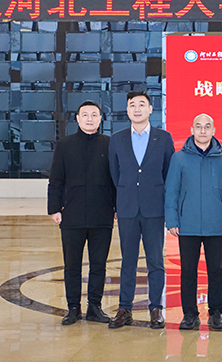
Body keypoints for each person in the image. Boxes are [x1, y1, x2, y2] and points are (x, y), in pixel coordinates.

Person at [108, 90, 174, 330]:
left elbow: (169, 173)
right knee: (128, 260)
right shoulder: (117, 139)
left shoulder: (163, 138)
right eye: (132, 105)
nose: (137, 109)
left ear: (150, 109)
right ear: (127, 110)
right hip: (127, 208)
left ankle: (156, 308)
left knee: (155, 261)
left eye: (142, 104)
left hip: (154, 208)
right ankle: (124, 308)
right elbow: (115, 173)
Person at [164, 113, 222, 332]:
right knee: (188, 270)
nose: (203, 131)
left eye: (207, 126)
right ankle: (189, 314)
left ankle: (216, 313)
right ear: (192, 130)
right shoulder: (179, 158)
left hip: (216, 223)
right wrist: (172, 219)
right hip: (188, 223)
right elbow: (171, 191)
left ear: (214, 130)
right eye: (199, 126)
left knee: (216, 269)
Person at [47, 101, 114, 326]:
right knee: (72, 266)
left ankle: (95, 307)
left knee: (99, 265)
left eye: (94, 115)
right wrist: (54, 208)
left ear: (100, 118)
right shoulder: (65, 145)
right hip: (72, 216)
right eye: (85, 115)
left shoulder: (109, 144)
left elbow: (116, 179)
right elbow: (56, 179)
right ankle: (73, 308)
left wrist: (116, 207)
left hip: (102, 215)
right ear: (77, 119)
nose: (89, 119)